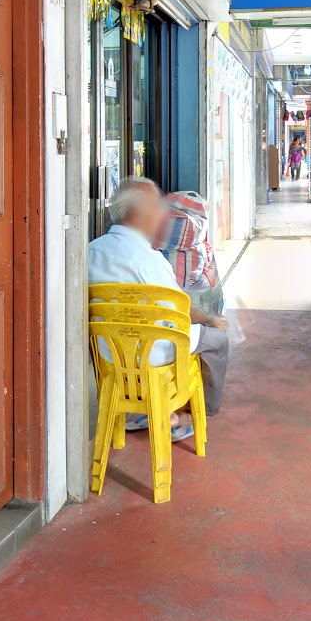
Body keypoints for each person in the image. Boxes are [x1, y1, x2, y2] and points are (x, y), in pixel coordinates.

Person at [91, 179, 225, 434]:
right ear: (139, 214)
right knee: (217, 341)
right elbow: (178, 308)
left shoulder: (91, 251)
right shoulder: (148, 260)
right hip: (150, 353)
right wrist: (208, 319)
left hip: (108, 355)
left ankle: (131, 411)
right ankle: (188, 415)